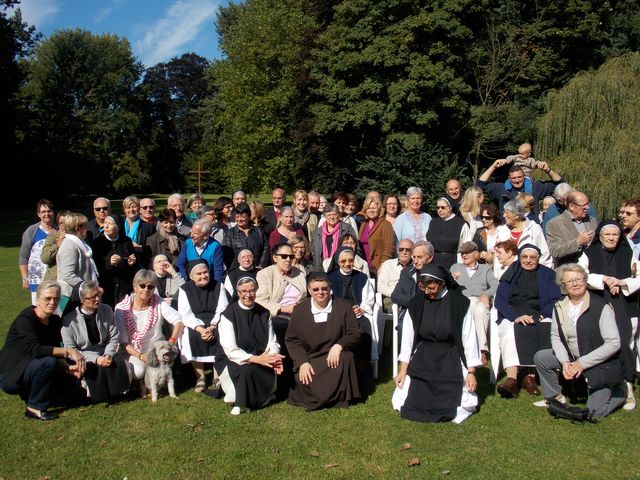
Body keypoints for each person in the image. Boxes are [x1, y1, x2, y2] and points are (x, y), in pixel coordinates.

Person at [391, 264, 481, 423]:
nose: (427, 292)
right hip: (424, 353)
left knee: (459, 401)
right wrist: (403, 370)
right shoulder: (416, 303)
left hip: (450, 353)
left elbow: (469, 339)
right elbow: (407, 339)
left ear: (442, 283)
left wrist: (471, 372)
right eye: (423, 288)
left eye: (431, 288)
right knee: (406, 395)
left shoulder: (459, 304)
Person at [534, 264, 626, 418]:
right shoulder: (559, 305)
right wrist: (564, 362)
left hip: (599, 362)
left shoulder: (600, 306)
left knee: (594, 413)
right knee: (542, 357)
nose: (575, 284)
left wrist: (582, 363)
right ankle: (555, 396)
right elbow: (556, 336)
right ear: (563, 285)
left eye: (579, 279)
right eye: (570, 281)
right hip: (572, 356)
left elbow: (613, 343)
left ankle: (620, 392)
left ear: (585, 281)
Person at [0, 281, 86, 420]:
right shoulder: (26, 319)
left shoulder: (54, 320)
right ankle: (34, 408)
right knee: (48, 363)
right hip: (10, 374)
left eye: (56, 299)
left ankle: (35, 394)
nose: (52, 302)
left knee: (63, 373)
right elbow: (37, 350)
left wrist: (67, 367)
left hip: (31, 366)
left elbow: (52, 347)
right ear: (37, 299)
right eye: (48, 298)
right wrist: (69, 351)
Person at [579, 220, 640, 410]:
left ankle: (626, 385)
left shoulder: (629, 253)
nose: (612, 238)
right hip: (598, 302)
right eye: (608, 235)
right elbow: (582, 274)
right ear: (600, 236)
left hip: (624, 303)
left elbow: (638, 276)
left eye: (615, 235)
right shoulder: (588, 254)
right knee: (601, 343)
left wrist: (620, 282)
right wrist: (604, 279)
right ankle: (603, 382)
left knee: (625, 341)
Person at [286, 271, 362, 410]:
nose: (320, 292)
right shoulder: (299, 310)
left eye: (324, 288)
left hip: (335, 357)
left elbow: (354, 332)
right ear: (309, 290)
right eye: (315, 289)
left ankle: (337, 397)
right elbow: (292, 340)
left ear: (330, 287)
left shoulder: (344, 306)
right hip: (311, 357)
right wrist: (302, 362)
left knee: (347, 357)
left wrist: (339, 346)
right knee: (304, 379)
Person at [494, 244, 561, 398]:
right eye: (525, 257)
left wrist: (540, 316)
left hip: (539, 313)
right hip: (514, 312)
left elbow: (555, 299)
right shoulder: (511, 272)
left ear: (539, 259)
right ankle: (512, 379)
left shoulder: (548, 274)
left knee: (544, 328)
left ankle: (529, 377)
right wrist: (515, 316)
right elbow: (500, 301)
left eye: (533, 258)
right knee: (510, 330)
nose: (528, 261)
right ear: (520, 257)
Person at [216, 277, 284, 415]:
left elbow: (272, 341)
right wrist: (256, 359)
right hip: (235, 360)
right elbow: (230, 349)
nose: (248, 294)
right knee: (246, 370)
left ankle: (248, 401)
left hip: (262, 357)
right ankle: (242, 402)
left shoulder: (264, 313)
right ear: (238, 292)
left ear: (256, 290)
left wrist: (272, 357)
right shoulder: (228, 315)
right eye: (243, 291)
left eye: (252, 290)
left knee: (255, 369)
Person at [61, 280, 130, 403]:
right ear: (82, 300)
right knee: (92, 369)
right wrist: (96, 359)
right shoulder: (68, 321)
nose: (97, 299)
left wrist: (108, 354)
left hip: (105, 352)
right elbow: (71, 349)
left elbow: (113, 337)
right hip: (84, 356)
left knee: (118, 361)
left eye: (98, 295)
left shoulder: (107, 310)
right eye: (92, 298)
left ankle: (118, 392)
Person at [115, 270, 183, 384]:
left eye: (150, 287)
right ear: (134, 286)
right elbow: (123, 342)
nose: (146, 289)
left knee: (170, 354)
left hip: (157, 349)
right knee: (138, 371)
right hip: (135, 351)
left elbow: (178, 321)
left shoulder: (158, 302)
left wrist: (171, 342)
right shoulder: (121, 309)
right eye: (142, 286)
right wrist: (141, 356)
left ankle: (154, 378)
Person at [178, 260, 228, 393]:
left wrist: (212, 326)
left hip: (215, 321)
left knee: (221, 333)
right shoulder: (184, 289)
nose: (203, 276)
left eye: (205, 272)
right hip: (195, 322)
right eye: (198, 274)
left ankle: (217, 376)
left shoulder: (218, 286)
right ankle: (200, 377)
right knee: (189, 335)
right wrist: (200, 329)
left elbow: (223, 308)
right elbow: (185, 313)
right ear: (191, 276)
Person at [450, 241, 498, 366]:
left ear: (476, 254)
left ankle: (482, 350)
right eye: (462, 253)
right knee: (471, 306)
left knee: (481, 310)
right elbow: (448, 286)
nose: (464, 256)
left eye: (467, 253)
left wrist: (486, 294)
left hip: (480, 300)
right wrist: (452, 280)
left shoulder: (485, 269)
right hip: (462, 300)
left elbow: (496, 285)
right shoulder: (456, 267)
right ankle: (471, 349)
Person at [256, 244, 307, 344]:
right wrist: (284, 308)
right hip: (278, 315)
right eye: (284, 256)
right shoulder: (265, 274)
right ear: (275, 258)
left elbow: (305, 297)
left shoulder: (300, 273)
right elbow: (260, 301)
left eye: (291, 257)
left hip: (299, 313)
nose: (288, 259)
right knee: (280, 325)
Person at [477, 160, 563, 213]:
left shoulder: (535, 187)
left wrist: (548, 170)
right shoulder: (502, 189)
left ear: (524, 176)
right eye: (513, 178)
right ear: (509, 179)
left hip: (531, 231)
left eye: (519, 177)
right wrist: (493, 166)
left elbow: (560, 184)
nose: (517, 180)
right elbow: (480, 185)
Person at [92, 216, 138, 308]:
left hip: (124, 286)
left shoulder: (126, 241)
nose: (106, 226)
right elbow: (95, 267)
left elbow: (132, 265)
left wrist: (131, 263)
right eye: (105, 223)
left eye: (110, 223)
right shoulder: (98, 243)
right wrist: (109, 264)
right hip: (107, 287)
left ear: (118, 227)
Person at [57, 213, 99, 315]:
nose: (87, 228)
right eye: (85, 225)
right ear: (77, 228)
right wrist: (88, 288)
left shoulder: (80, 243)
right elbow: (68, 275)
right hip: (69, 296)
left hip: (79, 294)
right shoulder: (69, 245)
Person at [20, 199, 58, 303]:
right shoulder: (32, 231)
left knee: (56, 308)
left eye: (49, 211)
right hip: (37, 278)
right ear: (38, 214)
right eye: (43, 212)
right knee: (38, 310)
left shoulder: (59, 231)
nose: (47, 214)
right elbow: (23, 256)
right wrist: (25, 277)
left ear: (53, 213)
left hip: (55, 278)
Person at [546, 191, 597, 267]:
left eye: (587, 204)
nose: (587, 207)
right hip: (568, 270)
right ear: (571, 206)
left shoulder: (591, 220)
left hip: (592, 269)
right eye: (583, 205)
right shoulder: (554, 224)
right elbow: (555, 251)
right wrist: (577, 242)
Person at [495, 200, 552, 267]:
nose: (504, 215)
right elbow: (497, 255)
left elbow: (544, 254)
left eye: (507, 213)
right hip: (507, 273)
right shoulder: (502, 230)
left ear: (516, 215)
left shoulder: (533, 229)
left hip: (530, 272)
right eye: (504, 212)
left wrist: (542, 273)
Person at [311, 203, 357, 272]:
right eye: (329, 215)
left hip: (341, 268)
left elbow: (356, 248)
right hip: (321, 270)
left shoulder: (347, 229)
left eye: (334, 214)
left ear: (338, 215)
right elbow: (313, 252)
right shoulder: (317, 232)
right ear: (324, 216)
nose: (332, 217)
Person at [177, 218, 225, 283]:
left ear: (205, 236)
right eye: (191, 232)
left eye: (195, 233)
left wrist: (216, 287)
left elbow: (218, 271)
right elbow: (180, 264)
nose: (191, 235)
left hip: (208, 282)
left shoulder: (215, 247)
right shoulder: (188, 243)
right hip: (190, 282)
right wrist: (185, 280)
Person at [224, 203, 271, 269]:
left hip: (258, 270)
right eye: (237, 217)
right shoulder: (230, 234)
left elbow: (265, 250)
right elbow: (227, 255)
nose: (240, 219)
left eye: (243, 217)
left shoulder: (259, 232)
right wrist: (238, 270)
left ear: (249, 217)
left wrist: (261, 266)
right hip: (237, 271)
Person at [426, 197, 468, 270]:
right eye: (438, 207)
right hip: (433, 263)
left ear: (450, 208)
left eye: (443, 207)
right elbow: (426, 243)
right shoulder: (433, 222)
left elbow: (467, 247)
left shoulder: (461, 224)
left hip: (453, 263)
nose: (440, 210)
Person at [358, 196, 395, 277]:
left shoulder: (385, 224)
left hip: (377, 266)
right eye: (369, 208)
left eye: (374, 208)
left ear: (379, 209)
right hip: (363, 266)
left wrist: (383, 265)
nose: (371, 210)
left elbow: (389, 247)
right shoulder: (364, 224)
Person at [391, 241, 434, 308]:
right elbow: (395, 295)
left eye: (419, 257)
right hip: (409, 312)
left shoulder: (438, 275)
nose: (416, 261)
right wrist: (415, 303)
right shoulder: (406, 273)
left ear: (430, 258)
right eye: (414, 257)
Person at [377, 239, 413, 313]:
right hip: (391, 298)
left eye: (408, 250)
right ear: (397, 251)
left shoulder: (415, 266)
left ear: (412, 252)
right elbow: (381, 286)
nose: (404, 252)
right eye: (401, 249)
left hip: (410, 299)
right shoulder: (388, 264)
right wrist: (398, 296)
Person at [121, 195, 156, 268]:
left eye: (134, 207)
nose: (131, 210)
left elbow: (153, 248)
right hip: (123, 265)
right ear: (124, 210)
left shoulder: (149, 227)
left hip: (142, 265)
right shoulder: (119, 226)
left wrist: (141, 248)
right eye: (128, 207)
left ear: (139, 209)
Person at [41, 209, 70, 283]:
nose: (63, 225)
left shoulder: (77, 237)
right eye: (61, 223)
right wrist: (57, 245)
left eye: (66, 222)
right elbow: (44, 258)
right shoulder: (53, 237)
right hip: (54, 280)